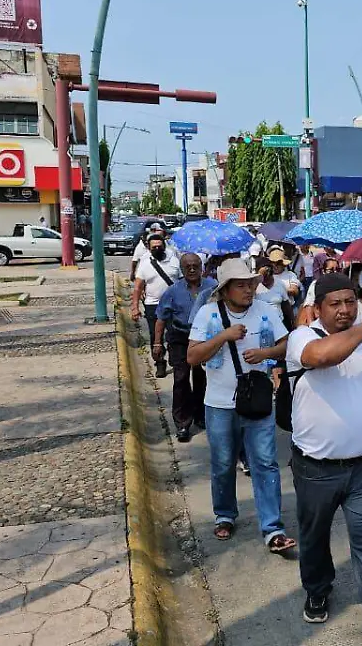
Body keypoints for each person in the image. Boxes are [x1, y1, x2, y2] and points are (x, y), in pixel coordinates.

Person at [286, 274, 362, 646]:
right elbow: (323, 357)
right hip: (316, 469)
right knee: (313, 537)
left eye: (349, 302)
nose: (344, 310)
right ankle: (318, 588)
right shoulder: (303, 337)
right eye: (335, 304)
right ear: (318, 309)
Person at [187, 258, 297, 554]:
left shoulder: (264, 310)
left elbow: (287, 344)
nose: (248, 289)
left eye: (250, 283)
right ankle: (224, 514)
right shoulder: (208, 314)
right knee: (223, 464)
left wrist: (266, 353)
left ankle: (273, 528)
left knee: (264, 463)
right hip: (220, 404)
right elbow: (192, 357)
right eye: (241, 285)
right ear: (225, 290)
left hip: (258, 402)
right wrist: (224, 335)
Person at [154, 253, 214, 442]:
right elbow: (161, 318)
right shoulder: (172, 291)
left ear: (202, 268)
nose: (192, 269)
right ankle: (182, 423)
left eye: (196, 265)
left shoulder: (212, 286)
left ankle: (201, 416)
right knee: (181, 379)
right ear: (181, 269)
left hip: (204, 339)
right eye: (187, 266)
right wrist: (157, 343)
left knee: (202, 379)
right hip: (180, 338)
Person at [132, 234, 180, 379]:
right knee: (155, 336)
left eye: (160, 246)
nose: (158, 248)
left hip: (174, 305)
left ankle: (174, 356)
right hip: (153, 305)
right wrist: (135, 307)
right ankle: (159, 363)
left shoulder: (174, 261)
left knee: (174, 333)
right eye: (154, 247)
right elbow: (138, 287)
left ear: (164, 246)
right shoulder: (145, 264)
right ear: (149, 248)